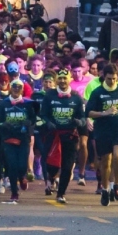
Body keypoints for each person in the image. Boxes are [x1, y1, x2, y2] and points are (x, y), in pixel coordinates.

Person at [87, 59, 118, 206]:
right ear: (104, 76)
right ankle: (105, 188)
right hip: (103, 130)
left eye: (114, 78)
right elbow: (88, 112)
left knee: (117, 156)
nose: (112, 81)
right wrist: (104, 113)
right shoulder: (97, 92)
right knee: (106, 161)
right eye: (109, 79)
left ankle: (117, 184)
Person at [37, 67, 83, 203]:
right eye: (60, 78)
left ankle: (61, 193)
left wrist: (79, 122)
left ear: (70, 79)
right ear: (57, 80)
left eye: (65, 78)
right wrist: (48, 122)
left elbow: (82, 117)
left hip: (70, 136)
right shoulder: (50, 95)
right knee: (51, 164)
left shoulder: (76, 97)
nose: (63, 81)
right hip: (53, 135)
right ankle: (51, 178)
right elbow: (43, 114)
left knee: (67, 166)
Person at [0, 76, 37, 203]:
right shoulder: (3, 103)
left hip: (23, 138)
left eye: (19, 87)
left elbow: (34, 120)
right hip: (8, 138)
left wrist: (28, 123)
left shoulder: (28, 104)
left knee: (22, 165)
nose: (16, 89)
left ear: (23, 90)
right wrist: (2, 125)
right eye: (14, 87)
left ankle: (22, 176)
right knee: (12, 165)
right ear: (10, 89)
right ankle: (14, 192)